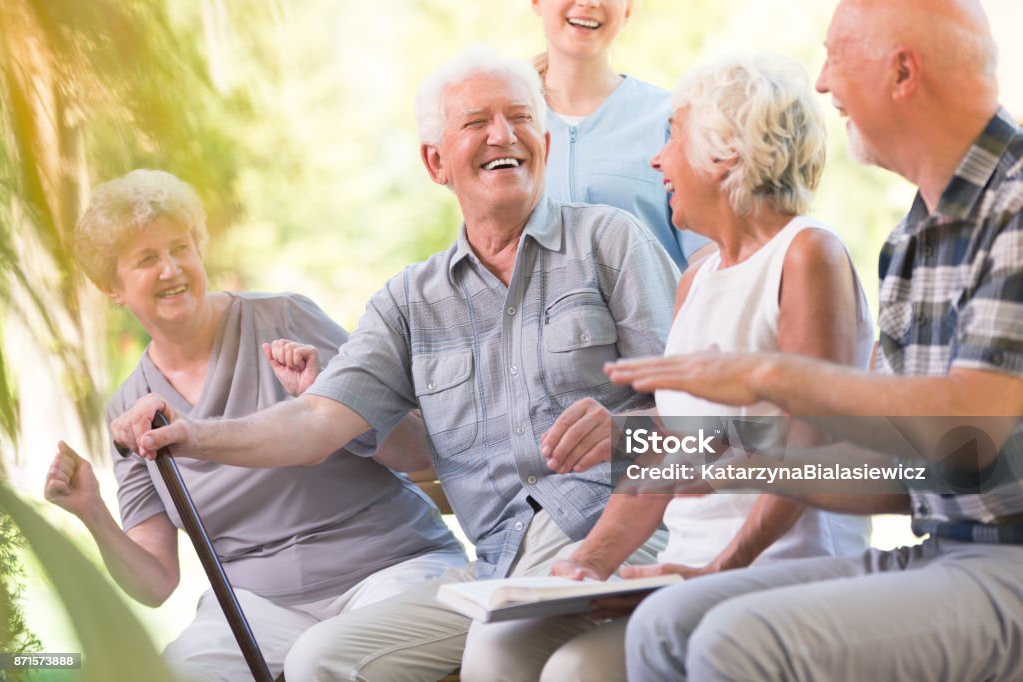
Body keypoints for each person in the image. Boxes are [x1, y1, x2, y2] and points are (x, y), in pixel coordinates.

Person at [109, 48, 680, 680]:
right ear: (436, 162)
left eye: (519, 117)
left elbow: (697, 418)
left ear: (544, 142)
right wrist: (195, 435)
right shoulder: (409, 301)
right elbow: (314, 422)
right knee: (322, 660)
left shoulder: (610, 240)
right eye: (475, 123)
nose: (502, 135)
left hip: (623, 528)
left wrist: (625, 436)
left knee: (500, 655)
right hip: (494, 567)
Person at [605, 1, 1023, 679]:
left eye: (836, 55)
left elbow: (971, 428)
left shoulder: (1015, 205)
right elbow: (904, 475)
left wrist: (769, 378)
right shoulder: (911, 239)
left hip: (1010, 558)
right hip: (943, 547)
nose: (822, 84)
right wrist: (740, 461)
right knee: (663, 624)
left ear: (902, 71)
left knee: (736, 641)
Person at [476, 51, 873, 682]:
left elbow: (810, 448)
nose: (657, 160)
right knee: (502, 650)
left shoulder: (807, 255)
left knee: (577, 671)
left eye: (672, 137)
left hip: (779, 573)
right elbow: (666, 457)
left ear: (726, 155)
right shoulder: (697, 280)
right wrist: (591, 564)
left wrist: (716, 571)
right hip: (686, 575)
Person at [43, 169, 466, 681]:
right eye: (147, 258)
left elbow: (418, 451)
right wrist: (91, 511)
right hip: (262, 610)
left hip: (389, 570)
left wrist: (328, 395)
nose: (172, 268)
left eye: (181, 247)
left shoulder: (284, 319)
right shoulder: (129, 408)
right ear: (113, 287)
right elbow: (155, 583)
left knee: (324, 663)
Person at [532, 0, 709, 267]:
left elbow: (707, 258)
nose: (587, 3)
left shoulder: (671, 119)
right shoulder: (505, 126)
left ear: (627, 9)